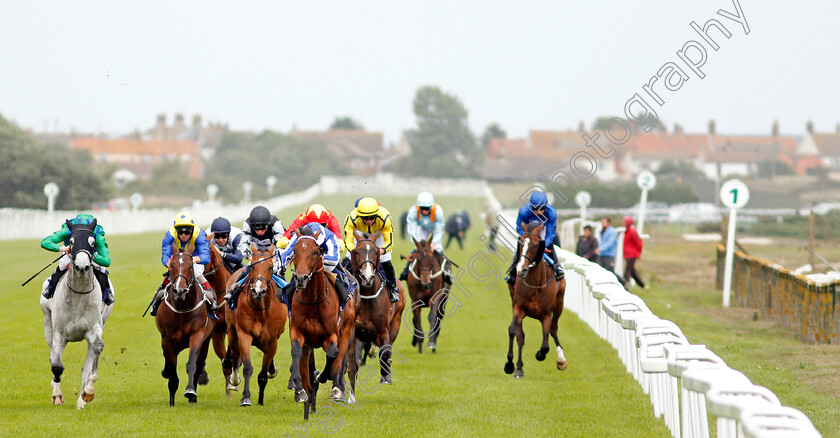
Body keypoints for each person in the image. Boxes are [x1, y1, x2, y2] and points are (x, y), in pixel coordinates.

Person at [149, 211, 219, 319]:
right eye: (180, 232)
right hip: (177, 260)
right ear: (176, 231)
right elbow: (165, 255)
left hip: (194, 260)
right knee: (174, 272)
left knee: (196, 271)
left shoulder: (199, 234)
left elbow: (205, 256)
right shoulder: (170, 235)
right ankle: (156, 301)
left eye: (187, 232)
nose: (183, 235)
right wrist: (168, 263)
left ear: (192, 230)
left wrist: (194, 259)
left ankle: (211, 301)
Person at [278, 223, 354, 312]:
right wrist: (281, 265)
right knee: (288, 291)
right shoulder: (297, 236)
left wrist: (318, 260)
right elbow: (286, 253)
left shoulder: (328, 235)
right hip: (303, 267)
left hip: (325, 265)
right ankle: (290, 312)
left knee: (342, 285)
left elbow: (334, 258)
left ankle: (344, 306)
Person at [40, 213, 113, 305]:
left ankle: (107, 293)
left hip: (90, 253)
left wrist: (94, 256)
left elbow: (107, 261)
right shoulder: (66, 231)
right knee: (63, 265)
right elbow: (45, 242)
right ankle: (50, 288)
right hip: (71, 252)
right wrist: (62, 248)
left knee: (101, 269)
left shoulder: (97, 235)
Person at [344, 197, 400, 303]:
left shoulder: (385, 217)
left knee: (385, 259)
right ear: (359, 216)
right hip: (359, 232)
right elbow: (348, 241)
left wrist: (381, 251)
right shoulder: (352, 218)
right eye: (365, 218)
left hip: (378, 233)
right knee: (347, 260)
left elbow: (389, 242)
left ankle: (393, 289)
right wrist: (354, 252)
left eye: (372, 218)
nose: (369, 221)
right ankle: (345, 287)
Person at [504, 190, 564, 285]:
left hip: (543, 230)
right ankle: (513, 270)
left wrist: (542, 246)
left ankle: (557, 267)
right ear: (532, 206)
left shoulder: (551, 212)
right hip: (528, 232)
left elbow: (551, 233)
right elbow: (519, 227)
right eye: (536, 209)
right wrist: (526, 239)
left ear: (546, 206)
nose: (539, 212)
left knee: (549, 245)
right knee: (521, 246)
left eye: (542, 209)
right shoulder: (524, 211)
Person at [228, 205, 286, 300]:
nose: (259, 232)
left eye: (263, 228)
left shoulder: (276, 224)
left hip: (274, 249)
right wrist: (250, 257)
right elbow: (243, 243)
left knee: (277, 271)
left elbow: (281, 246)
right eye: (256, 228)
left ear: (268, 224)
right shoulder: (247, 224)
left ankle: (287, 293)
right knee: (250, 268)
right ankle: (234, 290)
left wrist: (275, 259)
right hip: (257, 249)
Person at [401, 192, 454, 286]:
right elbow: (412, 230)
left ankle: (446, 272)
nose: (424, 211)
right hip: (421, 228)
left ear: (431, 207)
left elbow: (439, 231)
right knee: (419, 250)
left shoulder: (438, 212)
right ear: (418, 207)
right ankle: (406, 271)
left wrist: (433, 243)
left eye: (427, 209)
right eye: (422, 208)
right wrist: (418, 244)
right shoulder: (413, 212)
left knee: (437, 248)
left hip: (435, 229)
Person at [278, 204, 344, 251]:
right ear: (306, 222)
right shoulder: (300, 220)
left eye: (322, 225)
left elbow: (341, 246)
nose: (317, 227)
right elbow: (280, 242)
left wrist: (328, 244)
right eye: (312, 225)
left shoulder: (332, 220)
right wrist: (300, 243)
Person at [594, 217, 627, 286]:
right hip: (601, 254)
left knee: (610, 272)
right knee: (598, 270)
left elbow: (610, 243)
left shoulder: (612, 232)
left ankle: (623, 282)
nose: (602, 224)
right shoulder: (602, 231)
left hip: (609, 255)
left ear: (608, 223)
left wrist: (601, 249)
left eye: (604, 222)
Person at [623, 216, 647, 290]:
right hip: (628, 254)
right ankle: (643, 286)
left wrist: (638, 253)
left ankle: (625, 285)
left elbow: (639, 243)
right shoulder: (627, 231)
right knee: (632, 271)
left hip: (632, 254)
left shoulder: (632, 232)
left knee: (628, 271)